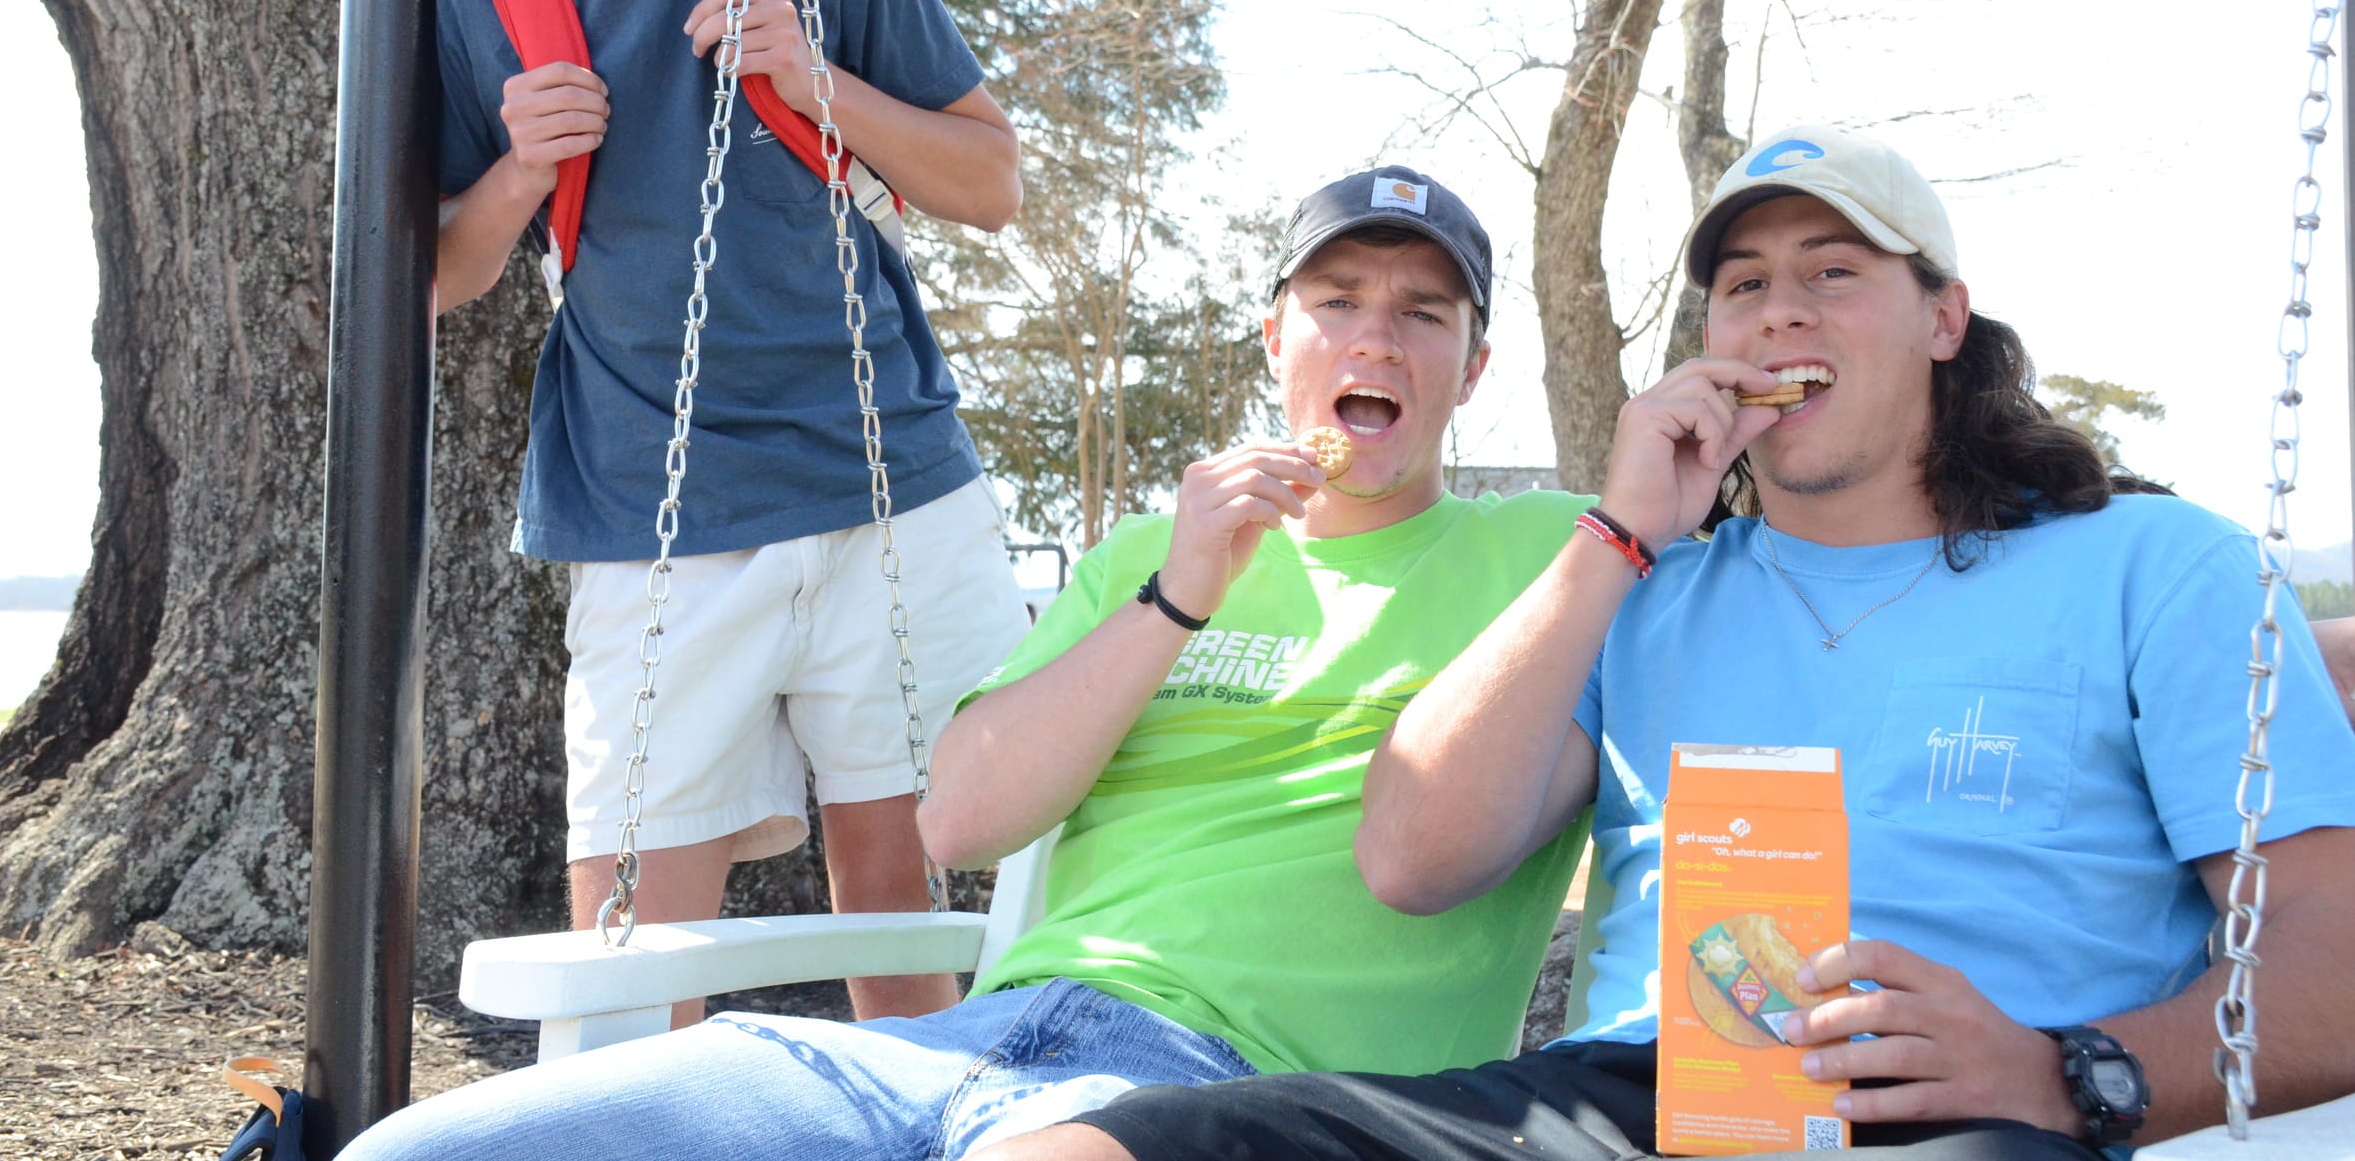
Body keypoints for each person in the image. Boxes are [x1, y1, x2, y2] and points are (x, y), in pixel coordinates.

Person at [1013, 124, 2355, 1160]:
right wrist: (1617, 532)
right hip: (1623, 1099)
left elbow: (2328, 950)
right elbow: (1412, 856)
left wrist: (2077, 1073)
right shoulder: (1646, 589)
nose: (1779, 313)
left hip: (1951, 1113)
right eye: (1745, 284)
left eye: (1834, 274)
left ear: (1944, 321)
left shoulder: (2154, 567)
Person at [340, 166, 1594, 1160]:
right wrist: (1180, 595)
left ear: (1472, 371)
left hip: (1230, 1087)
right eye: (1339, 303)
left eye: (1423, 314)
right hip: (959, 1041)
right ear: (1277, 340)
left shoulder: (1551, 551)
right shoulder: (1157, 551)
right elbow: (965, 817)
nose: (1375, 340)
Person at [431, 0, 1030, 1022]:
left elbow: (988, 179)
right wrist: (516, 173)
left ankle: (929, 1120)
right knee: (630, 942)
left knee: (907, 872)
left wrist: (816, 83)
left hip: (890, 477)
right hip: (652, 507)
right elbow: (437, 280)